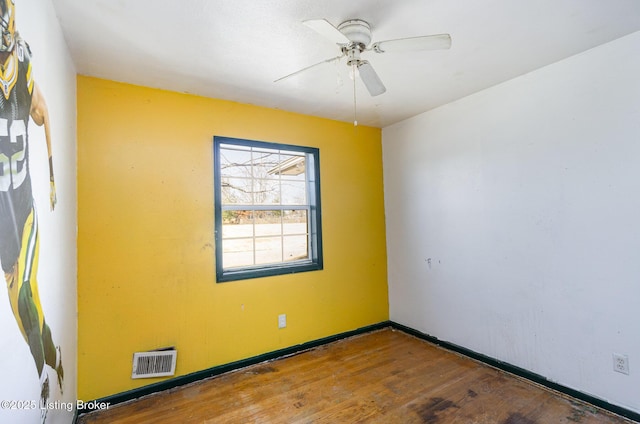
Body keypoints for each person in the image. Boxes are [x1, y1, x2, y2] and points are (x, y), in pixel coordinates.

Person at [0, 0, 63, 418]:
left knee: (25, 288)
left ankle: (42, 376)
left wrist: (54, 175)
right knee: (21, 298)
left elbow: (43, 113)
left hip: (23, 203)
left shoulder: (24, 67)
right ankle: (52, 358)